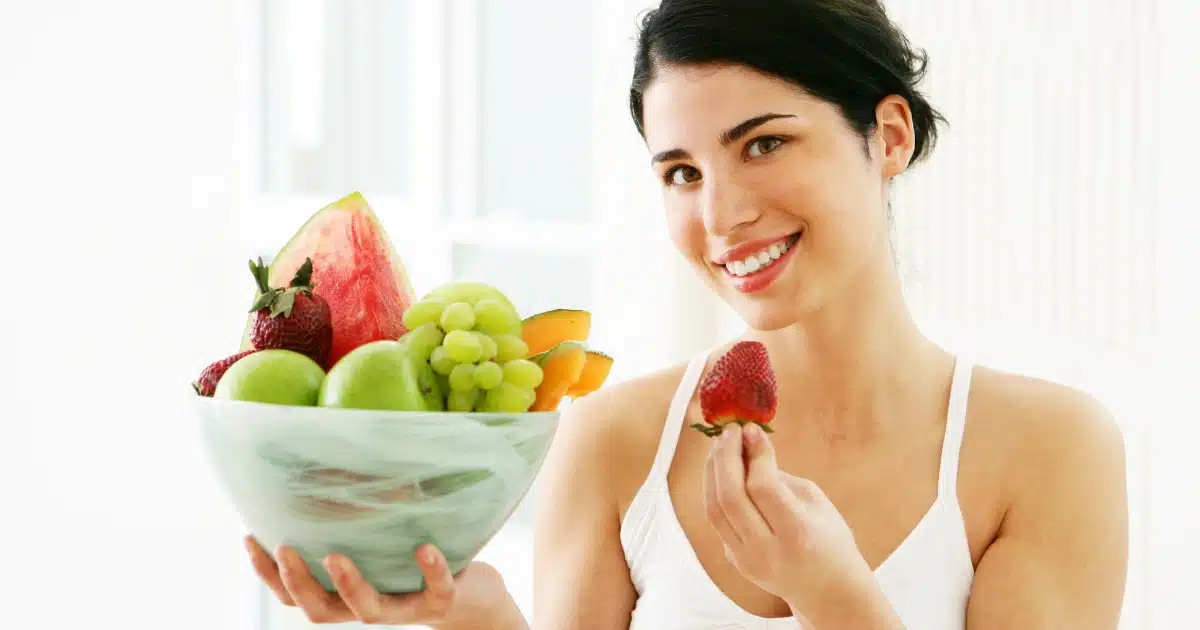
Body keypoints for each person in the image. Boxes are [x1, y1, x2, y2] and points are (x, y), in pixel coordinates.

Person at [244, 0, 1130, 627]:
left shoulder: (1049, 448)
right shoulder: (610, 441)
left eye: (766, 143)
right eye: (681, 171)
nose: (719, 215)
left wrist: (833, 595)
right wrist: (473, 614)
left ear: (888, 136)